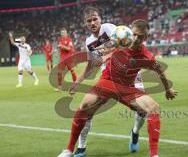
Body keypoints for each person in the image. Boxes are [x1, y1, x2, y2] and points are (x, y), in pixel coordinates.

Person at [57, 19, 177, 157]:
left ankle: (153, 154)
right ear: (131, 32)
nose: (136, 39)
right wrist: (104, 58)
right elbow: (111, 49)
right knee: (84, 105)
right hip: (107, 81)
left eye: (141, 36)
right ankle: (69, 150)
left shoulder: (146, 56)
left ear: (146, 37)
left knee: (154, 108)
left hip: (127, 88)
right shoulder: (121, 39)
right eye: (135, 34)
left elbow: (160, 71)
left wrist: (168, 90)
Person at [73, 7, 146, 157]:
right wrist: (78, 81)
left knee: (142, 109)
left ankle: (135, 132)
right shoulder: (89, 42)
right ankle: (81, 148)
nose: (93, 22)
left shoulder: (109, 28)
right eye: (89, 20)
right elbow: (92, 63)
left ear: (100, 19)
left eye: (95, 19)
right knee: (87, 108)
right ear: (85, 23)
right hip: (108, 76)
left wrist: (107, 53)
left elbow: (122, 45)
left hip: (129, 72)